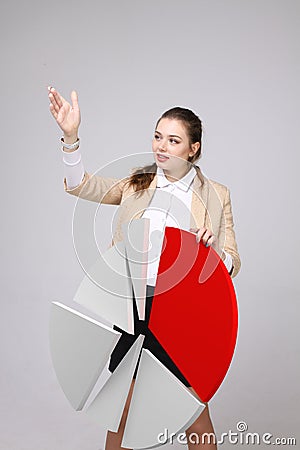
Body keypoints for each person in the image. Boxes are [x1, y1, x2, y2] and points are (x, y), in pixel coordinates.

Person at [48, 86, 241, 450]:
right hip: (135, 307)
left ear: (193, 148)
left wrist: (213, 251)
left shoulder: (217, 193)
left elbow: (232, 260)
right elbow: (81, 186)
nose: (161, 147)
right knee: (124, 408)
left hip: (185, 311)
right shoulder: (137, 182)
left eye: (173, 140)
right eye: (157, 137)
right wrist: (70, 138)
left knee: (193, 411)